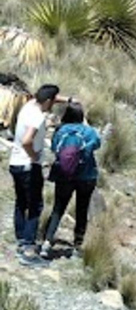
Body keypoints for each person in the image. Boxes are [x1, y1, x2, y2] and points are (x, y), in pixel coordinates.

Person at [8, 84, 73, 266]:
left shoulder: (29, 105)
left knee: (21, 202)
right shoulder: (37, 117)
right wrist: (33, 155)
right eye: (53, 102)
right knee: (35, 206)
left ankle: (21, 240)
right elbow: (27, 140)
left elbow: (47, 96)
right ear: (47, 101)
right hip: (29, 165)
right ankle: (29, 250)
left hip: (15, 163)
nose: (53, 105)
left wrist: (68, 100)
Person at [41, 102, 103, 259]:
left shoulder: (60, 132)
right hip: (87, 176)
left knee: (58, 209)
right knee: (82, 210)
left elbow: (55, 149)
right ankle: (77, 245)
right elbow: (98, 143)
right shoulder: (89, 132)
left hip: (64, 176)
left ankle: (47, 242)